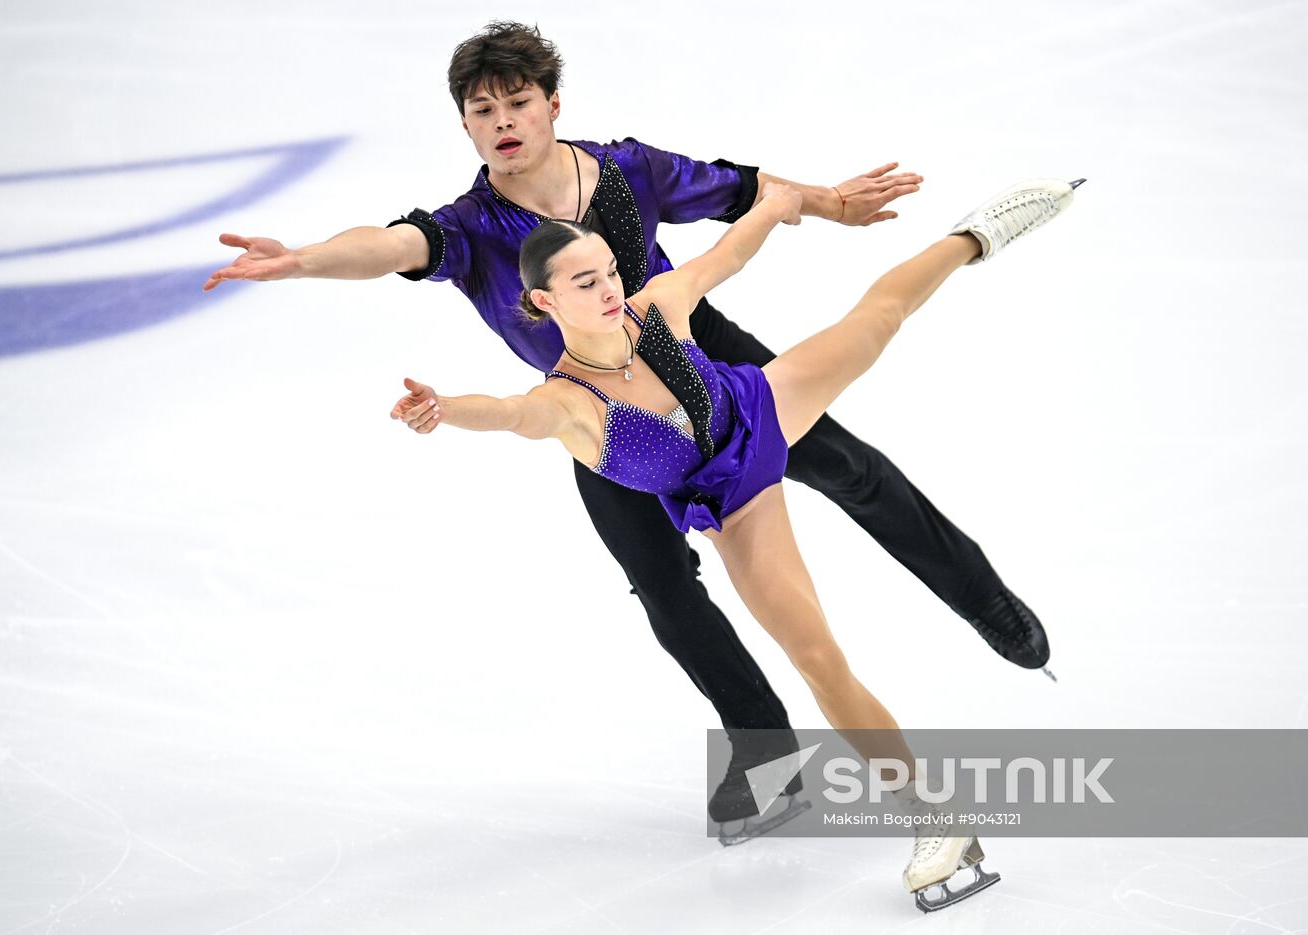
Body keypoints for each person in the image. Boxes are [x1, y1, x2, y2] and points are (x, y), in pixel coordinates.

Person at [203, 20, 1050, 841]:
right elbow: (386, 246)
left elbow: (737, 193)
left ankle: (983, 597)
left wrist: (830, 203)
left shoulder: (624, 170)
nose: (502, 124)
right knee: (666, 590)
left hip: (695, 350)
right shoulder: (466, 229)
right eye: (482, 112)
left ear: (552, 104)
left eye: (517, 103)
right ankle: (766, 750)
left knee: (849, 468)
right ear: (464, 123)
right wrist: (304, 257)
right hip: (598, 412)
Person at [390, 176, 1084, 910]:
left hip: (761, 406)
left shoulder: (652, 308)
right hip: (732, 502)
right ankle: (935, 816)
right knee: (817, 657)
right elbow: (505, 412)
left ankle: (976, 234)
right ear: (542, 302)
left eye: (611, 274)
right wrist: (445, 408)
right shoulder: (566, 405)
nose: (607, 290)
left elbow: (724, 257)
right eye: (585, 282)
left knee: (880, 316)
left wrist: (774, 210)